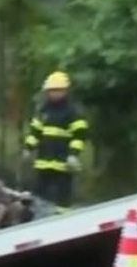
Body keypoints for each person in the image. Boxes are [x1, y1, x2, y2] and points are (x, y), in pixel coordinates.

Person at [22, 71, 88, 209]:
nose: (54, 94)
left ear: (65, 91)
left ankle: (62, 223)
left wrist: (73, 154)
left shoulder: (72, 111)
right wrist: (28, 148)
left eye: (57, 90)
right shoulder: (43, 110)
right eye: (51, 91)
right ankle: (38, 218)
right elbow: (35, 132)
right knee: (39, 195)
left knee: (62, 197)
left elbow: (79, 135)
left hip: (63, 164)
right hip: (43, 162)